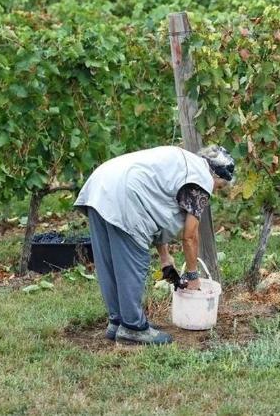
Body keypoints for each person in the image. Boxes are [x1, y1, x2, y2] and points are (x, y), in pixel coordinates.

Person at [74, 145, 235, 345]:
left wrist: (165, 258)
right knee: (135, 262)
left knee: (109, 262)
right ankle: (133, 328)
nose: (214, 192)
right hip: (126, 192)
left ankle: (117, 322)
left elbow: (158, 209)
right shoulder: (201, 178)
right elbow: (190, 236)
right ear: (216, 174)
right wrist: (192, 275)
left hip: (100, 185)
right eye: (218, 187)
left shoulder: (182, 164)